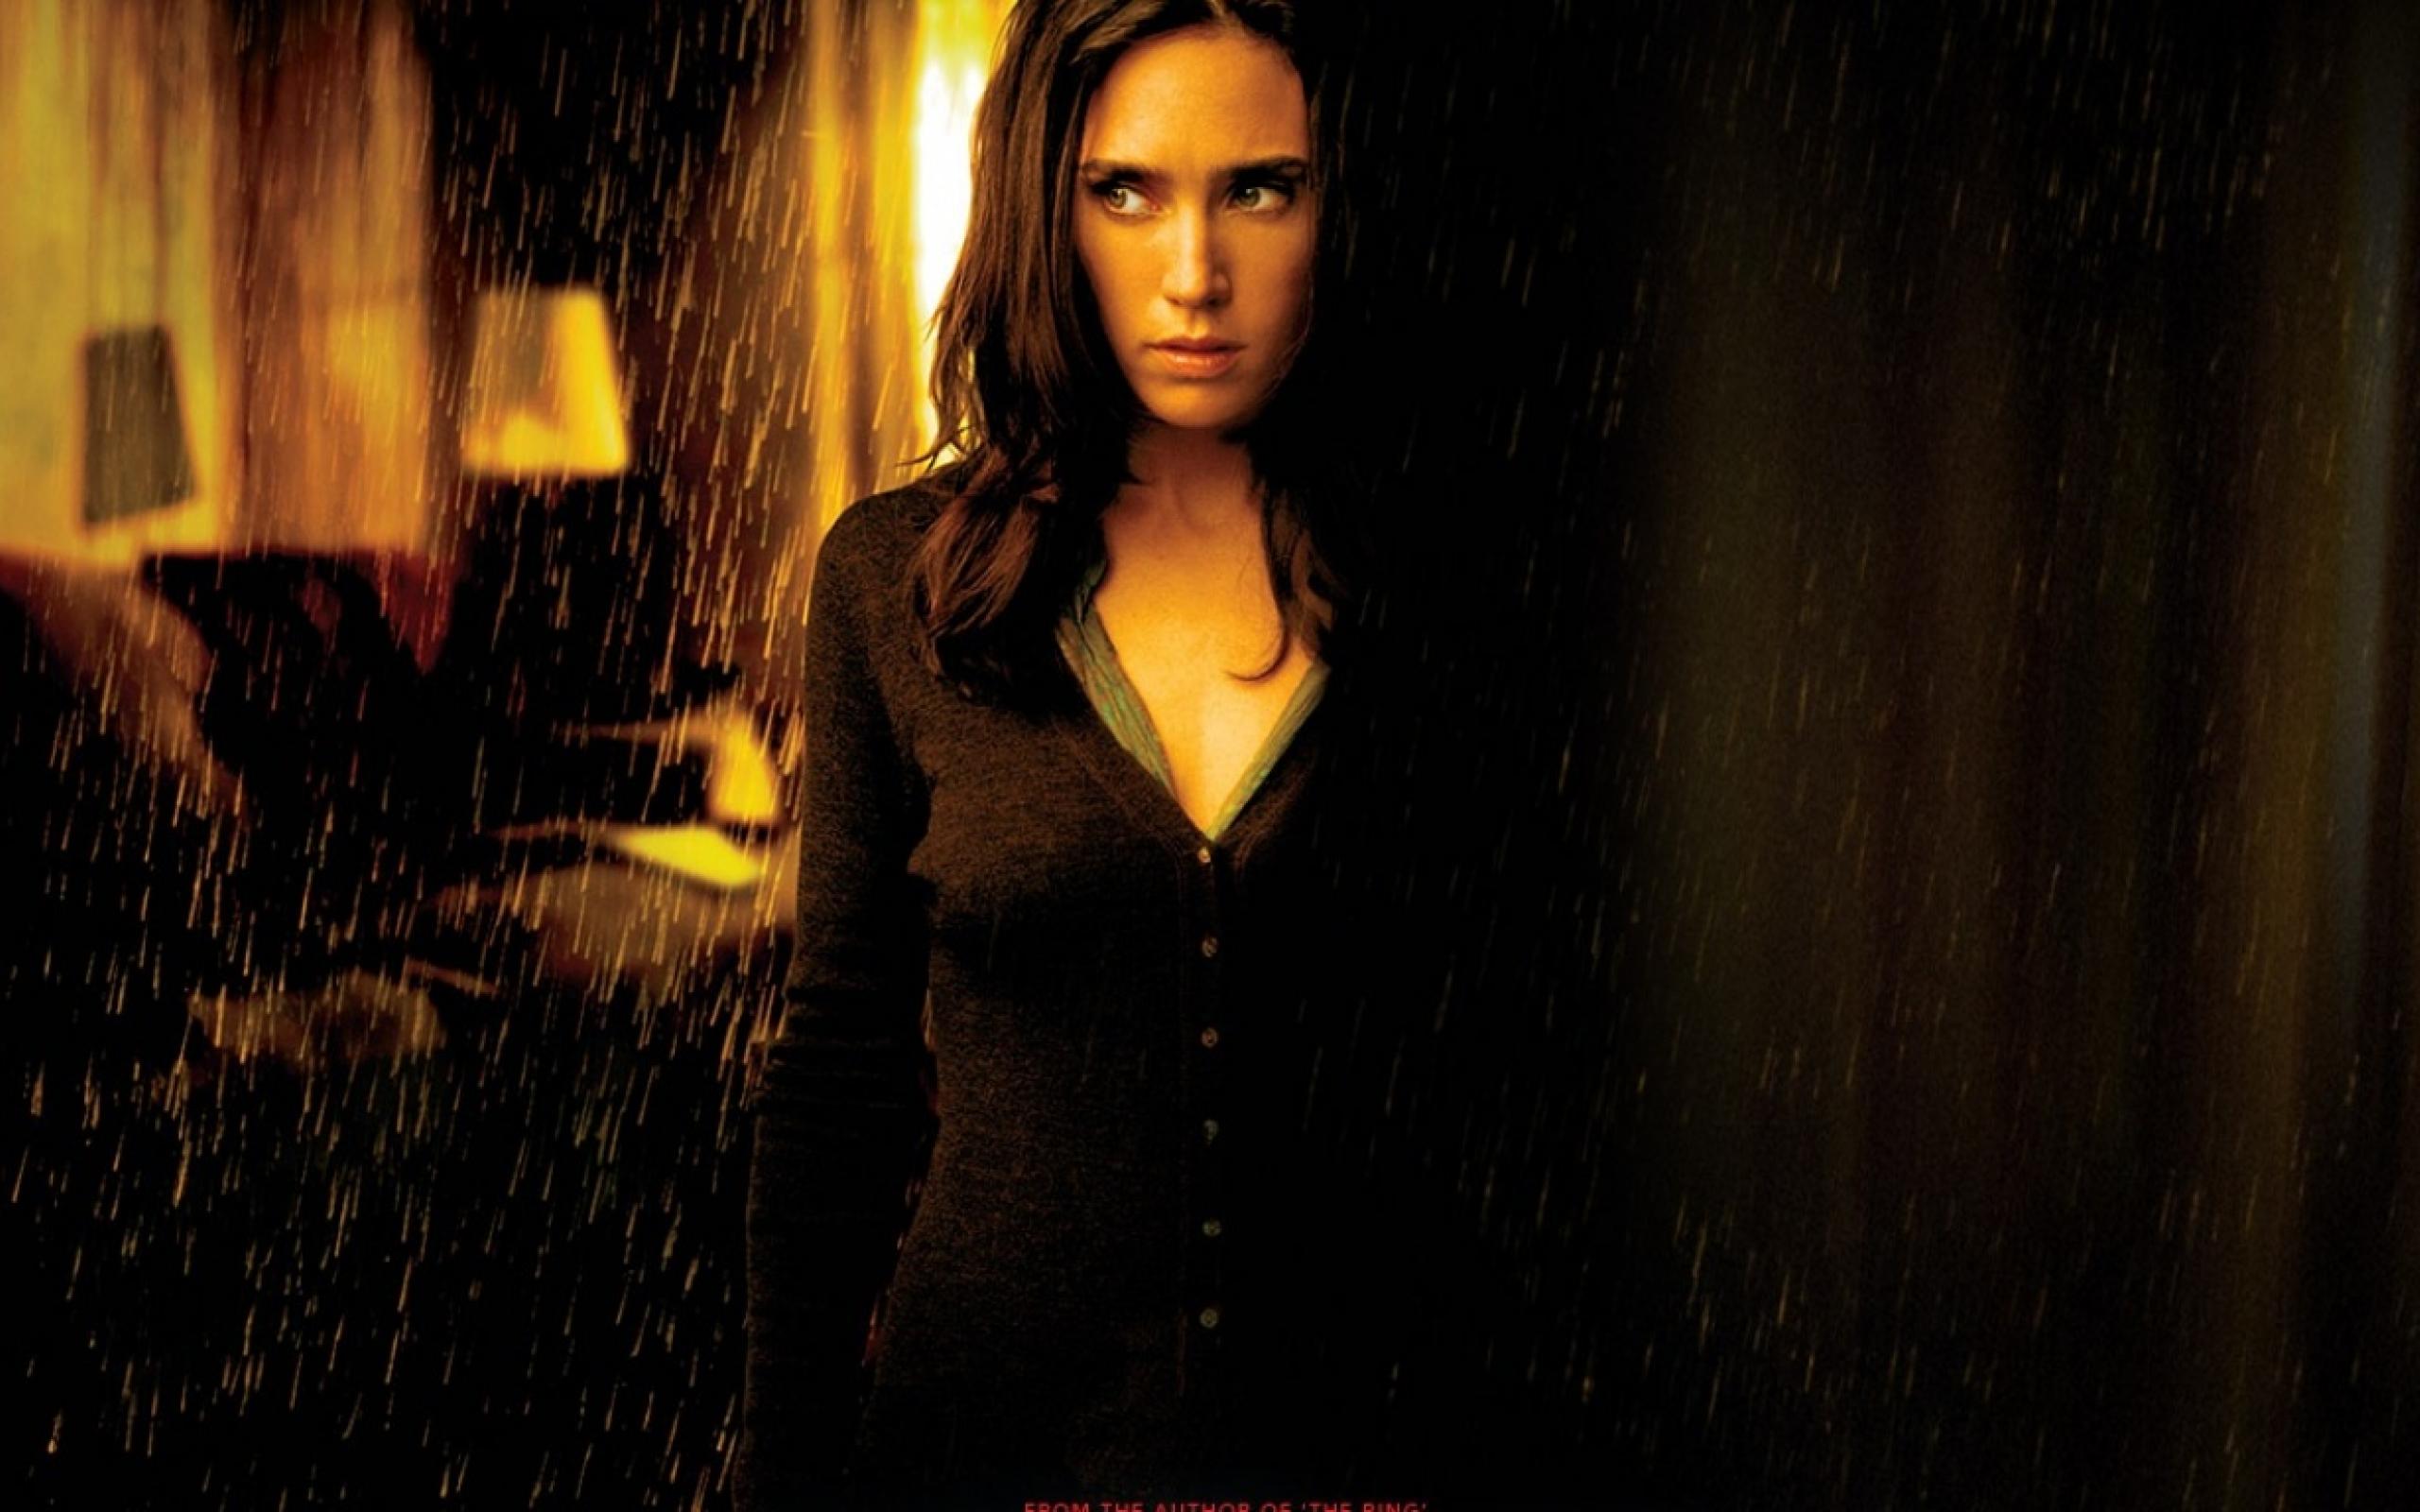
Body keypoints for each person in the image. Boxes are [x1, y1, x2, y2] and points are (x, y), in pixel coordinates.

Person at [735, 0, 1489, 1505]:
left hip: (1362, 1453)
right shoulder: (894, 582)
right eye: (1127, 192)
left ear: (1341, 203)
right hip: (970, 1458)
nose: (1194, 272)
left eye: (1259, 188)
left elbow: (1519, 1091)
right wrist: (783, 1467)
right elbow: (840, 1074)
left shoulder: (1453, 581)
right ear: (1046, 209)